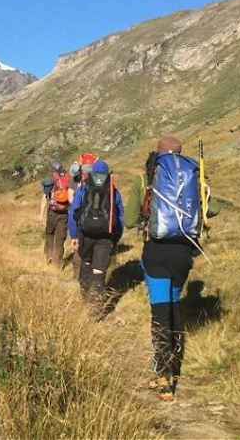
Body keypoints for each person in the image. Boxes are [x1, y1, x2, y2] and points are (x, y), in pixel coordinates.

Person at [128, 135, 215, 402]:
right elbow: (213, 210)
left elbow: (130, 219)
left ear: (158, 154)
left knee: (159, 312)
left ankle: (164, 377)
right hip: (183, 254)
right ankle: (175, 365)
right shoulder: (193, 178)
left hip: (155, 252)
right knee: (174, 306)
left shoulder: (146, 179)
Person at [67, 159, 124, 317]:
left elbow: (73, 213)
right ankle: (95, 309)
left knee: (86, 264)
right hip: (105, 237)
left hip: (85, 234)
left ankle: (85, 298)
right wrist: (115, 238)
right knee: (99, 270)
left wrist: (73, 235)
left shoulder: (84, 188)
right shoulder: (113, 191)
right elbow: (120, 218)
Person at [39, 160, 70, 269]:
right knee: (60, 239)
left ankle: (49, 255)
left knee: (50, 233)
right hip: (65, 214)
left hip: (52, 212)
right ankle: (58, 263)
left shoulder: (50, 180)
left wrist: (41, 215)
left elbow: (44, 199)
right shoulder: (68, 179)